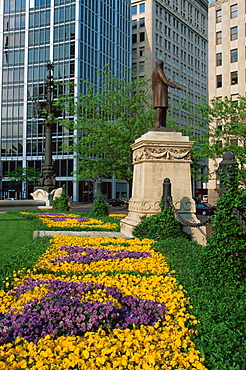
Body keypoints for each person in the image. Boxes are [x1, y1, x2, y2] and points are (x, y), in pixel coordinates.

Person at [152, 59, 182, 128]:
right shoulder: (159, 70)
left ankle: (161, 124)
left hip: (157, 90)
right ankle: (159, 124)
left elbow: (153, 84)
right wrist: (175, 86)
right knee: (160, 107)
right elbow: (165, 80)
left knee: (161, 107)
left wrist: (155, 90)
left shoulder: (154, 72)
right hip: (161, 90)